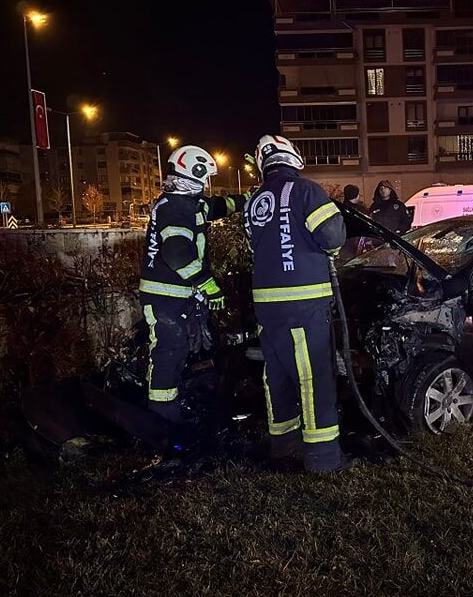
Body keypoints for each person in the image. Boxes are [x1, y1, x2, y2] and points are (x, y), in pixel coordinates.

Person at [244, 135, 353, 473]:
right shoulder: (305, 190)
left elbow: (259, 246)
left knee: (278, 375)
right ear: (293, 158)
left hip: (266, 304)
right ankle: (323, 459)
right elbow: (333, 235)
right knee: (314, 377)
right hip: (304, 302)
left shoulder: (255, 200)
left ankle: (283, 444)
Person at [140, 145, 249, 425]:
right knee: (169, 349)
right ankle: (162, 418)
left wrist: (249, 199)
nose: (206, 185)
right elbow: (176, 253)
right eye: (205, 178)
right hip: (164, 295)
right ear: (194, 173)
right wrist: (207, 285)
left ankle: (183, 405)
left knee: (188, 349)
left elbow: (217, 206)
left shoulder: (189, 202)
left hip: (180, 295)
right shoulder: (174, 207)